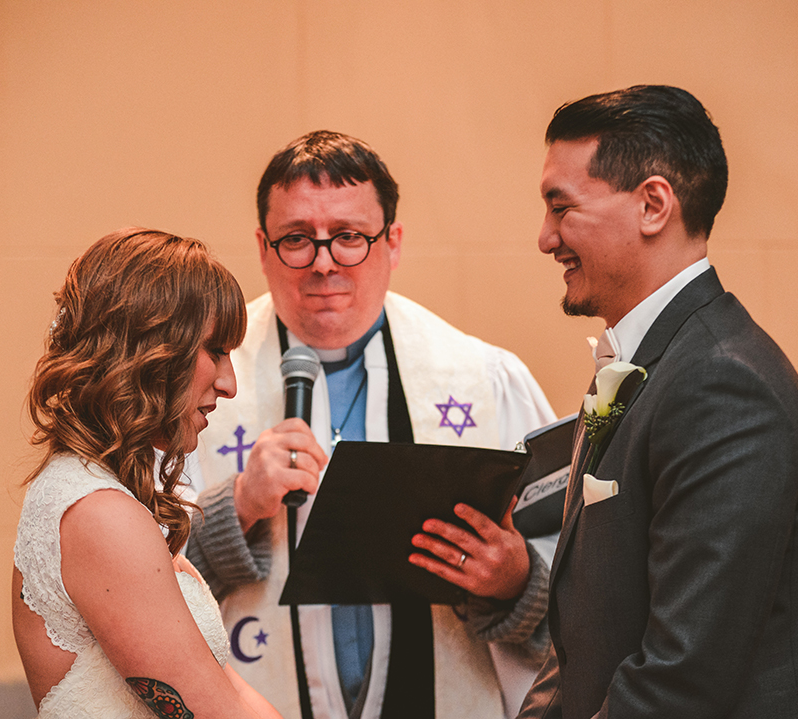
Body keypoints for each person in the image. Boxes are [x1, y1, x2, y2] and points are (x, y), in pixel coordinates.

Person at [185, 131, 557, 719]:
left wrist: (515, 580)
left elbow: (575, 578)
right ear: (262, 247)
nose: (324, 262)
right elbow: (134, 587)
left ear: (394, 242)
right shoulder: (196, 388)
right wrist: (237, 506)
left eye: (351, 237)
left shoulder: (484, 380)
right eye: (297, 240)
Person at [518, 86, 798, 718]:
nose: (545, 238)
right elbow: (580, 644)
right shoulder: (650, 362)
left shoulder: (724, 386)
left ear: (652, 205)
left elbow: (680, 678)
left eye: (561, 209)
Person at [12, 229, 283, 719]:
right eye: (215, 351)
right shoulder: (98, 513)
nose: (229, 383)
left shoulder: (104, 492)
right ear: (148, 353)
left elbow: (227, 688)